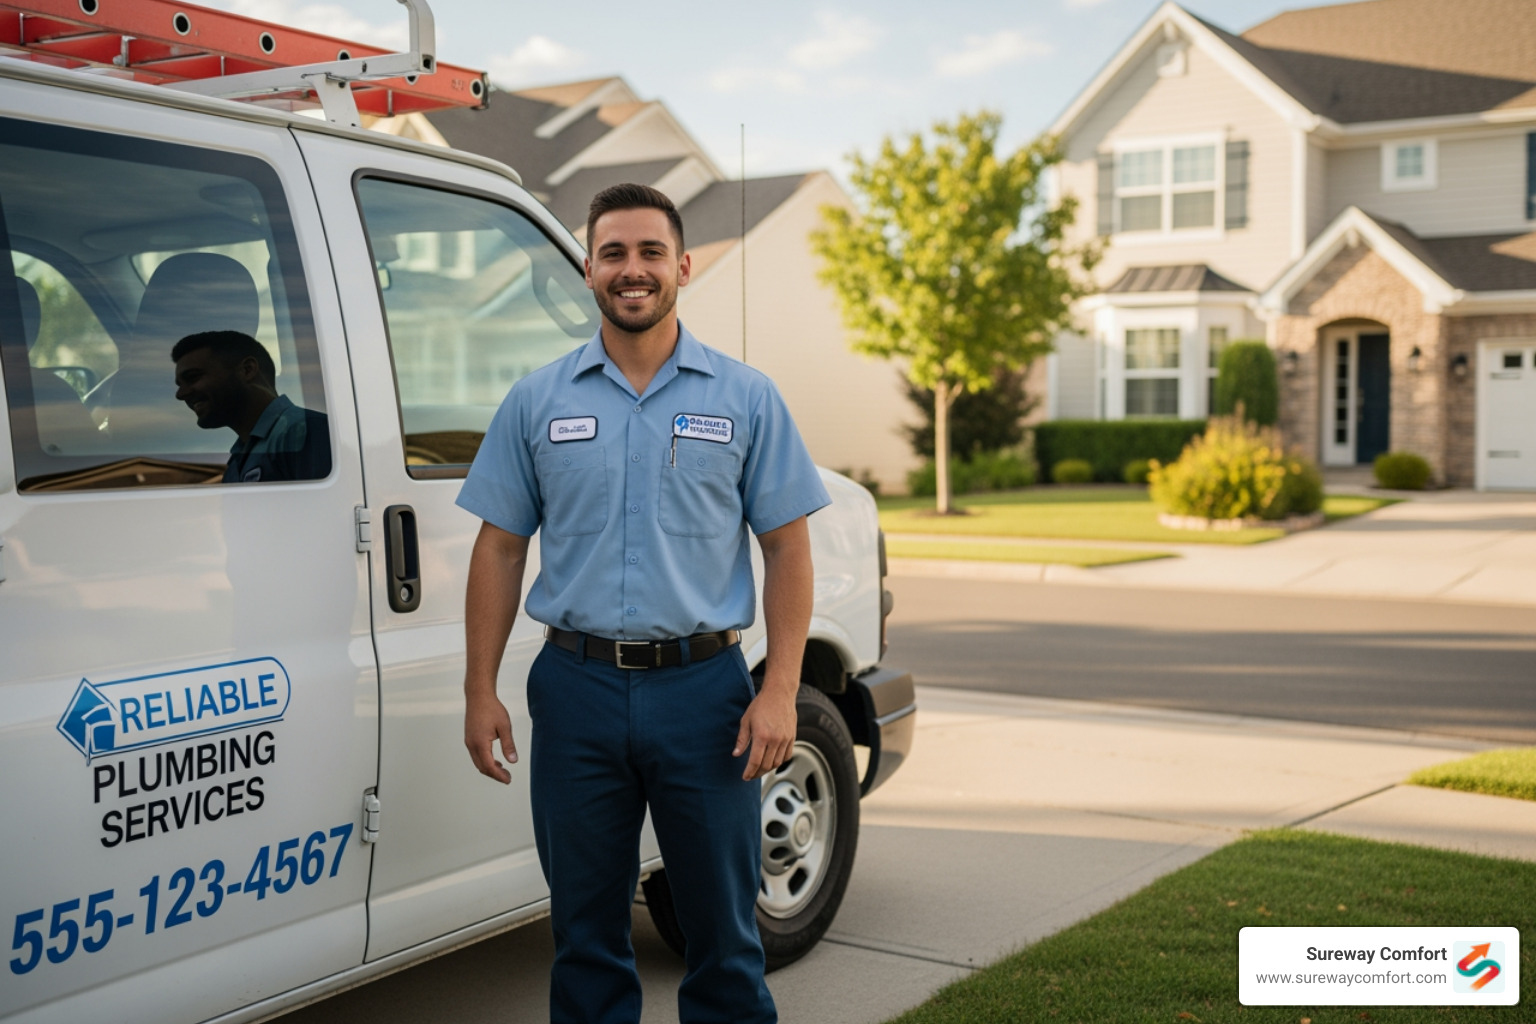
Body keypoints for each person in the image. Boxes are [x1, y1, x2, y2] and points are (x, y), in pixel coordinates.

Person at [458, 183, 830, 1024]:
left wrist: (779, 692)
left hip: (706, 696)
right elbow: (501, 547)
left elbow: (787, 549)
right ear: (588, 269)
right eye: (615, 253)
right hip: (575, 689)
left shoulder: (745, 398)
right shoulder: (537, 401)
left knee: (724, 938)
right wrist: (479, 689)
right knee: (585, 937)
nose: (633, 270)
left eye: (650, 252)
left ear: (683, 267)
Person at [171, 330, 330, 482]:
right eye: (180, 385)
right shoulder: (236, 461)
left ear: (247, 370)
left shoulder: (305, 431)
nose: (180, 394)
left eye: (193, 377)